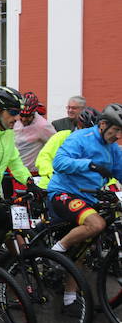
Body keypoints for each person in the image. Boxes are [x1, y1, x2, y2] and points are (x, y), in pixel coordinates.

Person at [47, 104, 122, 310]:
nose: (117, 136)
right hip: (63, 193)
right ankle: (56, 253)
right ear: (103, 124)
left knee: (82, 249)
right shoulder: (80, 138)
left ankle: (70, 299)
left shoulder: (113, 149)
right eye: (115, 130)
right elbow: (59, 163)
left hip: (88, 199)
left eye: (120, 132)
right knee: (96, 224)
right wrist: (88, 164)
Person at [35, 107, 100, 188]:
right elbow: (43, 158)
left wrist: (111, 184)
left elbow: (104, 166)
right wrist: (53, 174)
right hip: (51, 185)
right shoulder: (61, 136)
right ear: (78, 127)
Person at [14, 91, 56, 172]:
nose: (23, 119)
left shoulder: (43, 126)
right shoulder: (15, 120)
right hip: (13, 170)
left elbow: (55, 145)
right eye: (21, 115)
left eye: (27, 116)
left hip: (32, 172)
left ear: (34, 113)